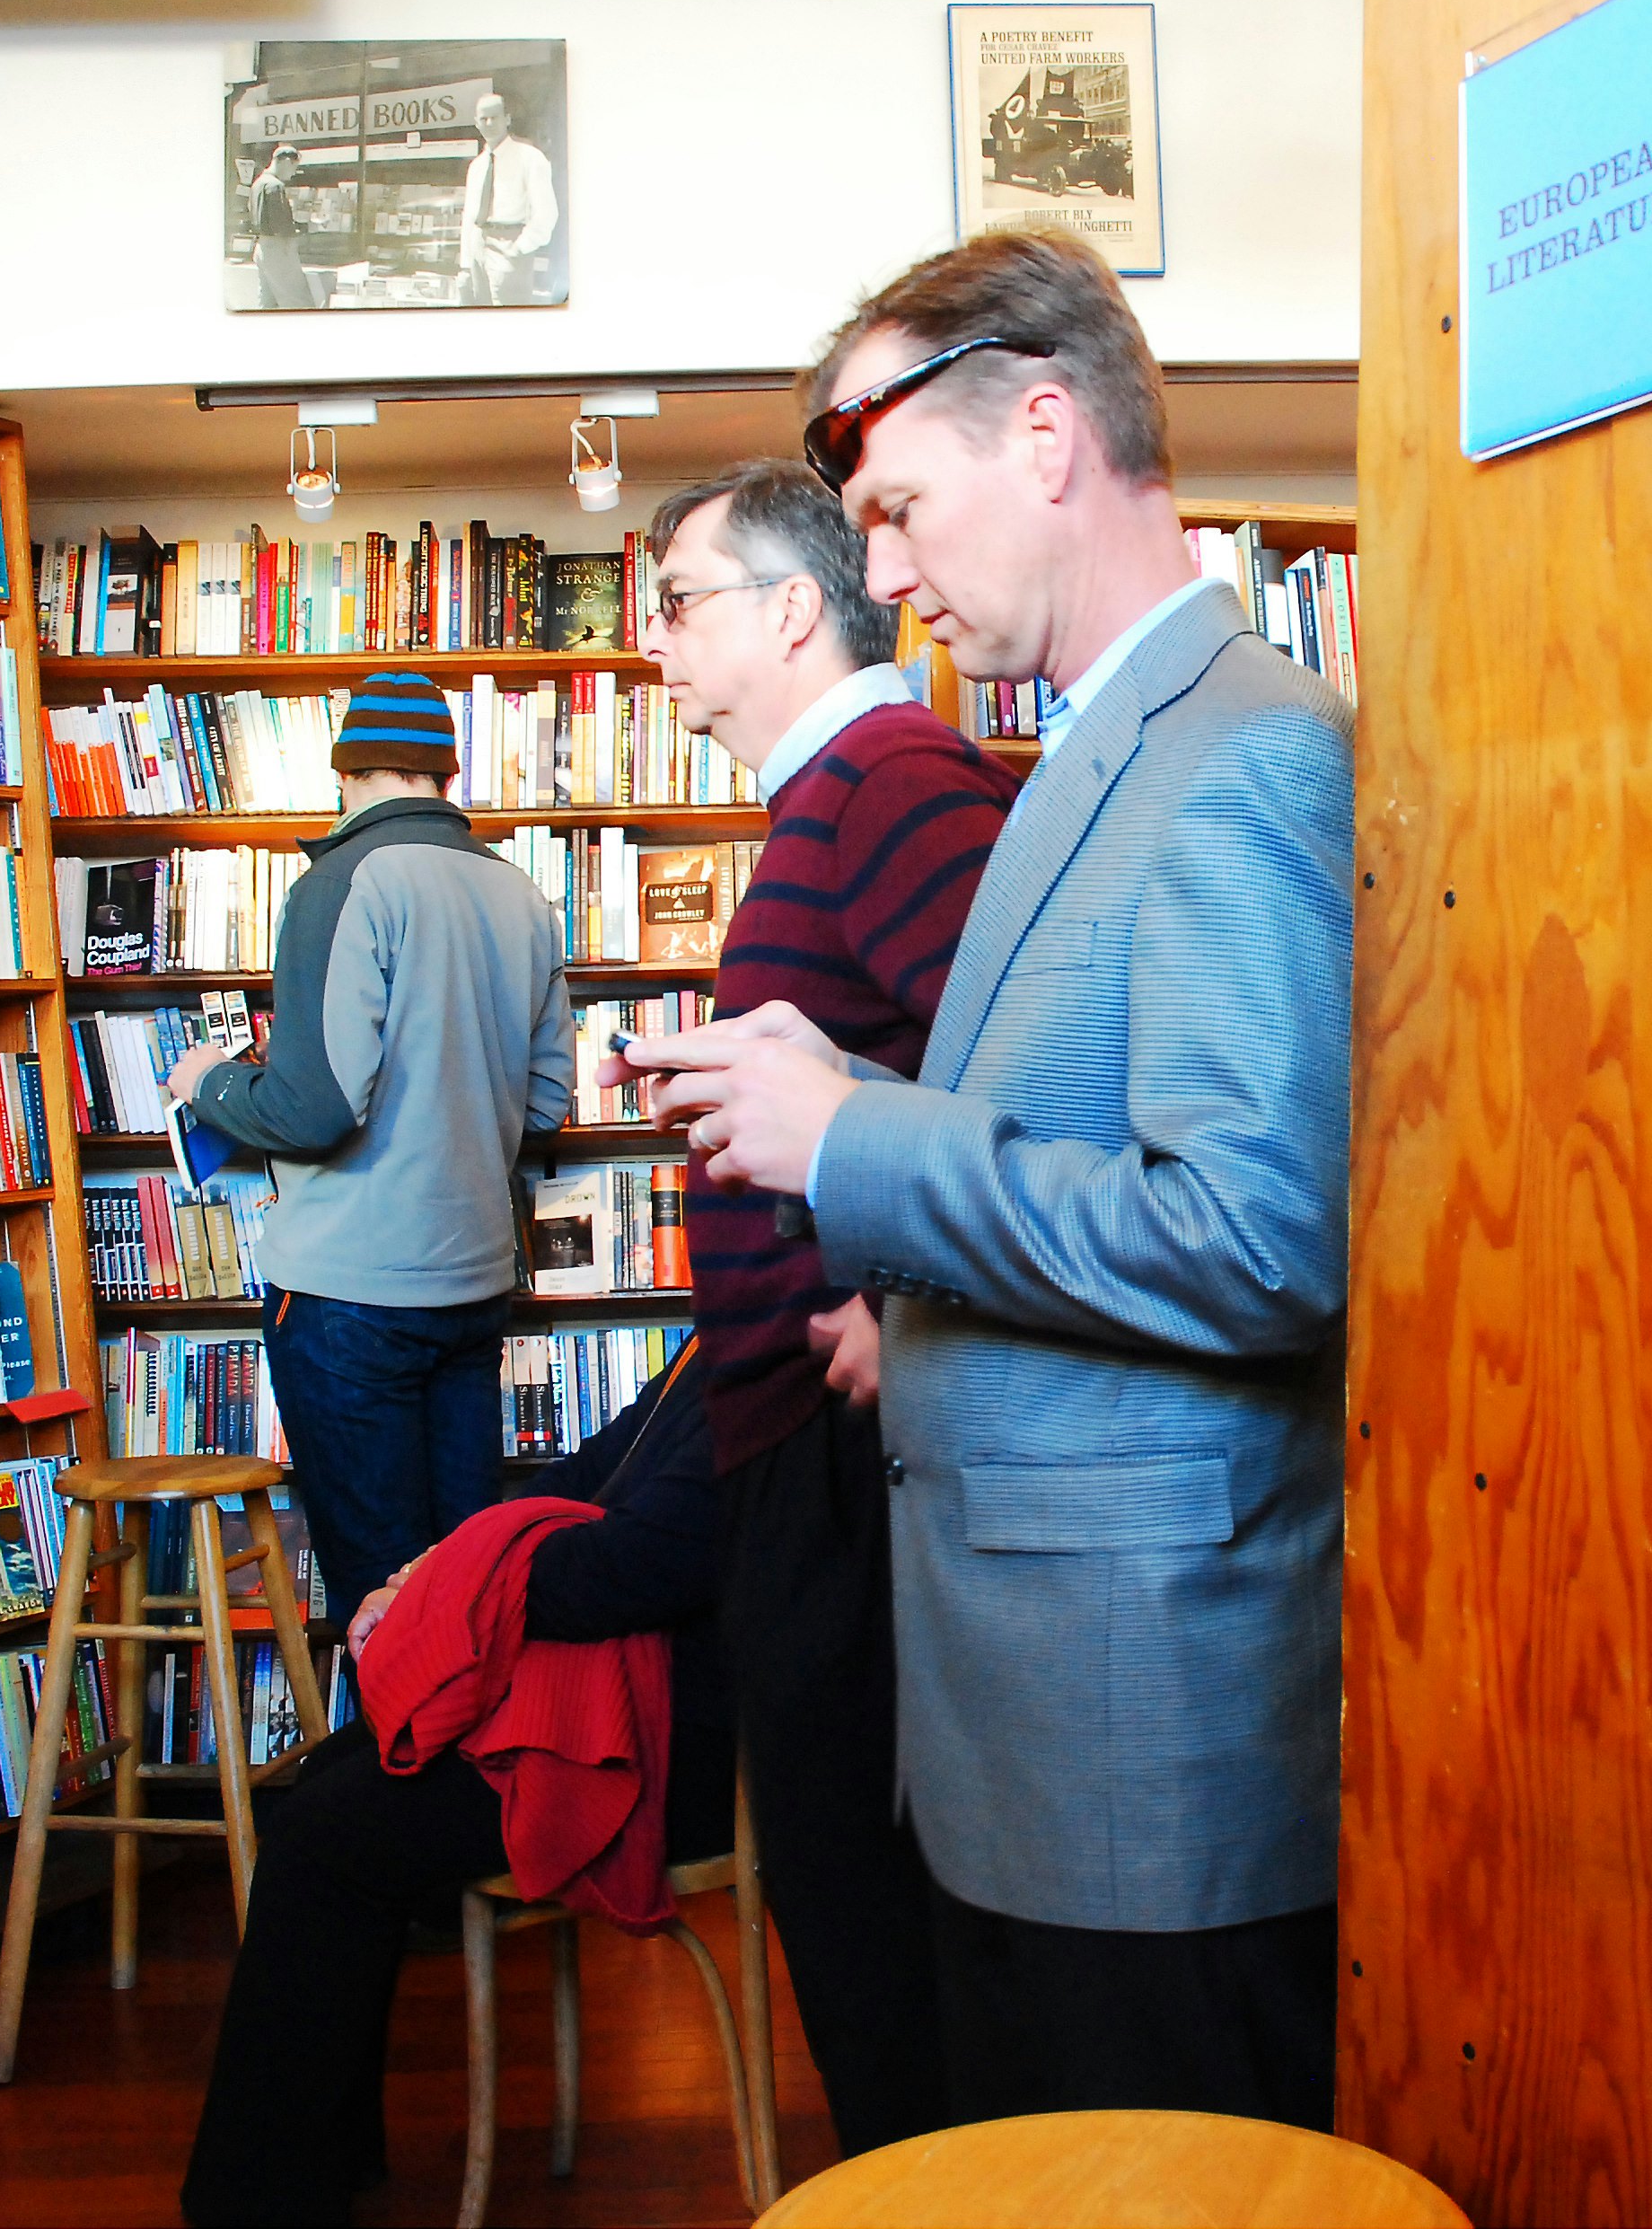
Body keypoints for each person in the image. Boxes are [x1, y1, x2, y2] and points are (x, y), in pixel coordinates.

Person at [610, 230, 1353, 2129]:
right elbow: (1066, 1122)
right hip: (1039, 1709)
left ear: (1044, 433)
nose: (877, 572)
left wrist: (853, 1139)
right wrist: (840, 1083)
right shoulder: (1090, 747)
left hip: (1145, 1742)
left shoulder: (1241, 750)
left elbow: (1260, 1239)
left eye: (894, 506)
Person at [634, 456, 1018, 2154]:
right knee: (844, 1897)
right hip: (800, 1437)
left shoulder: (898, 781)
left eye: (678, 600)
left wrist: (901, 1282)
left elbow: (1032, 1081)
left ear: (791, 609)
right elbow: (906, 1061)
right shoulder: (834, 796)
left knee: (869, 1904)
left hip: (852, 1445)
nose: (653, 641)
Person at [179, 1348, 731, 2229]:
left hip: (672, 1752)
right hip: (621, 1702)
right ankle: (315, 2164)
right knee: (330, 1783)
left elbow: (637, 1566)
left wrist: (450, 1591)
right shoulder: (727, 1335)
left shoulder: (782, 1357)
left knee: (326, 1836)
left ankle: (260, 2206)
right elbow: (589, 1472)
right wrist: (439, 1568)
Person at [170, 675, 573, 1621]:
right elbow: (545, 1104)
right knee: (467, 1599)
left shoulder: (338, 882)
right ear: (447, 769)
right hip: (472, 1288)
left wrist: (212, 1085)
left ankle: (391, 1773)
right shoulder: (520, 894)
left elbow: (314, 1113)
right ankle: (480, 1775)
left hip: (349, 1295)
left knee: (381, 1612)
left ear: (345, 771)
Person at [455, 92, 557, 305]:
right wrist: (466, 263)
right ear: (476, 123)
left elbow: (546, 213)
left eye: (495, 117)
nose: (489, 123)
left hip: (510, 247)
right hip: (478, 250)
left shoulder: (530, 158)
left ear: (508, 119)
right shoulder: (477, 166)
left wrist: (519, 248)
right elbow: (470, 216)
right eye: (483, 118)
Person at [247, 145, 316, 309]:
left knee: (267, 302)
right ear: (285, 161)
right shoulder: (275, 185)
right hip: (279, 248)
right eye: (294, 167)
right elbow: (281, 225)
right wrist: (299, 232)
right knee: (298, 301)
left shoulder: (258, 183)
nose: (293, 174)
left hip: (262, 247)